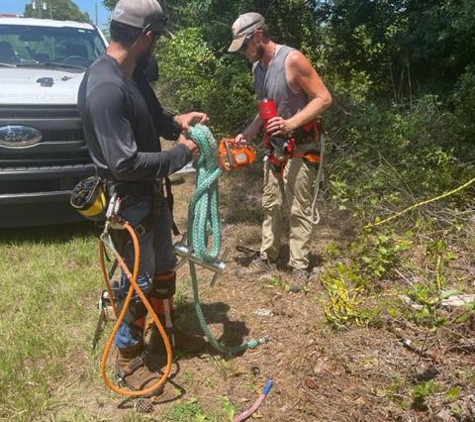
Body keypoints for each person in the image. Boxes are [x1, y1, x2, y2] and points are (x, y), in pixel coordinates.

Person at [78, 0, 207, 395]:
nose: (157, 47)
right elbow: (124, 163)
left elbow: (153, 115)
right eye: (156, 39)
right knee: (138, 282)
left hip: (151, 197)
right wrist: (181, 155)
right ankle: (130, 359)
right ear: (145, 36)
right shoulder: (105, 87)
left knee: (164, 267)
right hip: (129, 201)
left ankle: (164, 336)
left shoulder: (131, 75)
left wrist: (177, 123)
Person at [228, 12, 332, 292]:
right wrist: (249, 132)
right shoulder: (258, 69)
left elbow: (324, 98)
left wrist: (290, 124)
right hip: (275, 147)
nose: (243, 54)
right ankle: (268, 257)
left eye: (245, 46)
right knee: (270, 204)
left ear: (259, 35)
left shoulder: (292, 60)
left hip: (302, 144)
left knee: (299, 208)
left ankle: (300, 267)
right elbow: (266, 108)